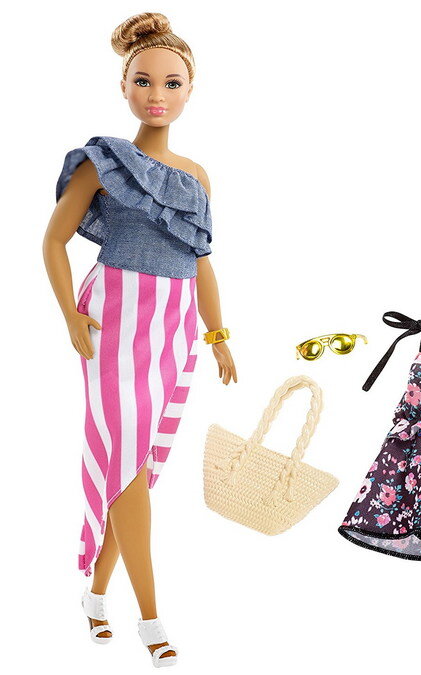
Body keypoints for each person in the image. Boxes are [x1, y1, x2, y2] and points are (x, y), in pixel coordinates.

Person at [42, 12, 236, 667]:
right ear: (123, 86)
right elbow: (53, 240)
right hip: (114, 316)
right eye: (144, 81)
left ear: (190, 90)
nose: (158, 94)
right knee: (127, 466)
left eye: (172, 83)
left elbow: (200, 260)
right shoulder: (104, 161)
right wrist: (70, 315)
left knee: (139, 464)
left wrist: (218, 335)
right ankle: (151, 618)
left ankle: (95, 595)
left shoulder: (196, 175)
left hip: (173, 325)